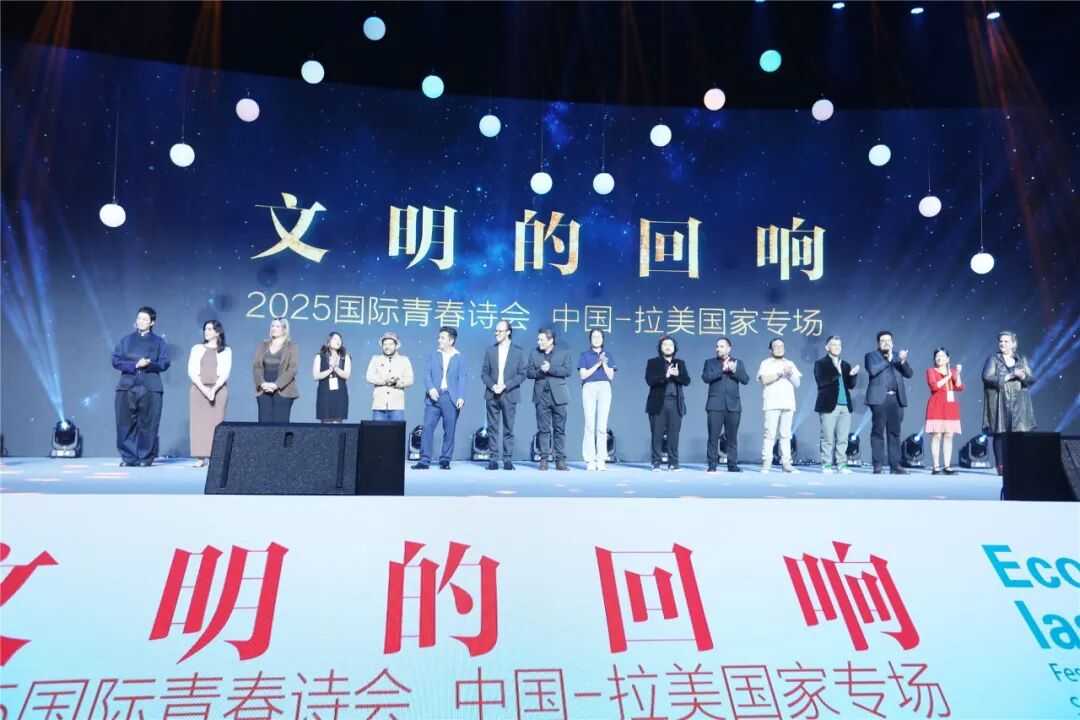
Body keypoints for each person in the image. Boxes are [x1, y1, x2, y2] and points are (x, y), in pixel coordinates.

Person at [112, 306, 171, 467]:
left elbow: (165, 362)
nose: (141, 321)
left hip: (150, 387)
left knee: (149, 423)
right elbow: (115, 360)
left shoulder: (158, 342)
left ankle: (145, 457)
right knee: (125, 422)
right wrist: (135, 365)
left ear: (152, 322)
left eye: (145, 319)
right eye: (139, 318)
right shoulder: (126, 340)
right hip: (127, 386)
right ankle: (128, 457)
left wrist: (149, 364)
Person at [982, 330, 1037, 474]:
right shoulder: (993, 359)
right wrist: (1011, 375)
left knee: (1019, 433)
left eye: (1006, 341)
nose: (1002, 344)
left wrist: (1022, 376)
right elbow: (987, 377)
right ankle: (1001, 465)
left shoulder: (1021, 359)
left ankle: (1018, 463)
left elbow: (1031, 378)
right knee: (1000, 433)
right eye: (1001, 341)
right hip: (1000, 400)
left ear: (1013, 344)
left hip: (1019, 401)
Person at [413, 326, 466, 470]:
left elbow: (462, 378)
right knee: (427, 428)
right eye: (439, 337)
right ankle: (424, 460)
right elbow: (427, 374)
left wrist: (461, 397)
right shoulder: (433, 355)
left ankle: (445, 460)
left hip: (450, 397)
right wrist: (431, 389)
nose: (439, 340)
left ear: (451, 340)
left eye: (442, 338)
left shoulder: (459, 357)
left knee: (449, 430)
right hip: (433, 397)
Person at [864, 330, 913, 474]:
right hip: (879, 399)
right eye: (883, 341)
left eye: (888, 340)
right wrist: (888, 360)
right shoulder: (871, 356)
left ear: (892, 342)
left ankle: (895, 465)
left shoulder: (898, 356)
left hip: (896, 399)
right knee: (877, 432)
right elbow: (872, 371)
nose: (886, 343)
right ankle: (878, 465)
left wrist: (902, 361)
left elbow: (909, 373)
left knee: (895, 433)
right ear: (878, 343)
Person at [526, 327, 573, 471]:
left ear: (550, 340)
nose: (538, 342)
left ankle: (560, 461)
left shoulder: (564, 353)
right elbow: (529, 372)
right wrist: (541, 371)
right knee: (543, 429)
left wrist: (550, 369)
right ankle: (544, 460)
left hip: (559, 396)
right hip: (541, 396)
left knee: (560, 429)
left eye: (541, 339)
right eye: (538, 339)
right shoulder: (534, 353)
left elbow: (568, 371)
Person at [480, 320, 526, 470]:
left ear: (508, 332)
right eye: (496, 330)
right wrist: (493, 386)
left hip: (509, 393)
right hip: (492, 394)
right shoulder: (490, 350)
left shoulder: (518, 351)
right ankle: (493, 460)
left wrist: (505, 386)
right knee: (492, 428)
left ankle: (507, 460)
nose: (496, 333)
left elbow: (522, 375)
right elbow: (484, 373)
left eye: (500, 331)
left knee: (508, 429)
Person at [701, 337, 749, 473]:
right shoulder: (710, 362)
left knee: (732, 437)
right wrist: (722, 369)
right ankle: (712, 465)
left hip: (733, 406)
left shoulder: (738, 363)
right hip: (715, 405)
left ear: (729, 348)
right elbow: (706, 378)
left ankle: (732, 465)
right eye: (717, 346)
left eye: (722, 346)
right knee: (713, 437)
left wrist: (734, 371)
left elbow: (745, 380)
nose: (718, 349)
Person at [187, 320, 231, 467]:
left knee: (216, 424)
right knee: (198, 424)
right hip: (199, 390)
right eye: (205, 329)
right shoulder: (197, 348)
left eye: (210, 329)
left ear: (217, 332)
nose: (206, 332)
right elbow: (192, 371)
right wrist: (204, 390)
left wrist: (214, 389)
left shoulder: (226, 350)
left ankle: (214, 457)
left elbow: (225, 373)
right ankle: (200, 458)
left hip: (218, 390)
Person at [813, 336, 860, 474]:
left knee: (843, 438)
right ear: (827, 347)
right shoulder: (820, 363)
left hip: (845, 405)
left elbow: (850, 386)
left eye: (839, 345)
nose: (837, 347)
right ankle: (826, 464)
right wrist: (836, 372)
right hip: (828, 405)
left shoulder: (845, 364)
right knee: (827, 437)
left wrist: (853, 375)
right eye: (834, 345)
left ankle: (842, 465)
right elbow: (821, 381)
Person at [645, 335, 691, 471]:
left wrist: (677, 375)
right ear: (660, 348)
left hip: (675, 403)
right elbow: (649, 380)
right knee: (657, 434)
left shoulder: (680, 363)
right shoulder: (653, 362)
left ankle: (673, 463)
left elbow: (687, 381)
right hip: (658, 403)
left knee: (674, 435)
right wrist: (666, 375)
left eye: (670, 345)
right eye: (665, 345)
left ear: (674, 348)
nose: (668, 347)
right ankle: (656, 462)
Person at [757, 338, 802, 473]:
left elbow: (797, 383)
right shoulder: (766, 363)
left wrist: (790, 373)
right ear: (770, 350)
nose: (779, 348)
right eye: (776, 346)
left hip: (788, 403)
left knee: (786, 435)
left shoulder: (790, 363)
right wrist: (780, 373)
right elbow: (764, 380)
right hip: (771, 403)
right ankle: (767, 463)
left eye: (781, 346)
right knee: (769, 435)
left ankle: (786, 463)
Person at [578, 328, 617, 471]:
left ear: (603, 339)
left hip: (604, 387)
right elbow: (583, 375)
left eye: (599, 337)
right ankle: (590, 460)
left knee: (601, 426)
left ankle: (601, 459)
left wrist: (604, 363)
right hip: (589, 387)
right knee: (589, 425)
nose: (596, 339)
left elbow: (611, 376)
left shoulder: (608, 355)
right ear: (590, 339)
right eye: (594, 337)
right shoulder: (584, 355)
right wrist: (597, 364)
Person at [924, 347, 963, 475]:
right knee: (937, 434)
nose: (939, 358)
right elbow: (934, 386)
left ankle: (947, 466)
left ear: (948, 359)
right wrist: (948, 377)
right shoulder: (931, 371)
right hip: (937, 404)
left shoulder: (952, 371)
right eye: (937, 356)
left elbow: (959, 387)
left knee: (949, 435)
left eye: (942, 356)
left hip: (950, 405)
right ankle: (936, 466)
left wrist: (958, 373)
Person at [253, 317, 299, 423]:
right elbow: (256, 366)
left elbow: (293, 368)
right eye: (272, 326)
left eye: (277, 326)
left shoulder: (292, 347)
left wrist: (276, 385)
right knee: (264, 424)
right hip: (264, 389)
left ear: (284, 329)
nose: (274, 328)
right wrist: (262, 383)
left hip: (283, 390)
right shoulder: (262, 345)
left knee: (280, 425)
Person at [365, 331, 414, 422]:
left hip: (397, 405)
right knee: (377, 431)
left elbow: (410, 380)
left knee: (396, 431)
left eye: (390, 344)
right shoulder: (376, 359)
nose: (387, 346)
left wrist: (396, 382)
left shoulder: (404, 360)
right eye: (384, 344)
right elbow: (369, 376)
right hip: (379, 405)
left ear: (396, 345)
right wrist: (385, 381)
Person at [313, 331, 352, 423]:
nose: (338, 341)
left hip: (340, 393)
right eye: (335, 339)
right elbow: (316, 376)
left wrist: (336, 368)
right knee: (325, 423)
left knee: (338, 422)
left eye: (340, 340)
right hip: (325, 393)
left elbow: (347, 375)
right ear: (328, 342)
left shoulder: (345, 357)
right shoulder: (319, 357)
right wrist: (330, 370)